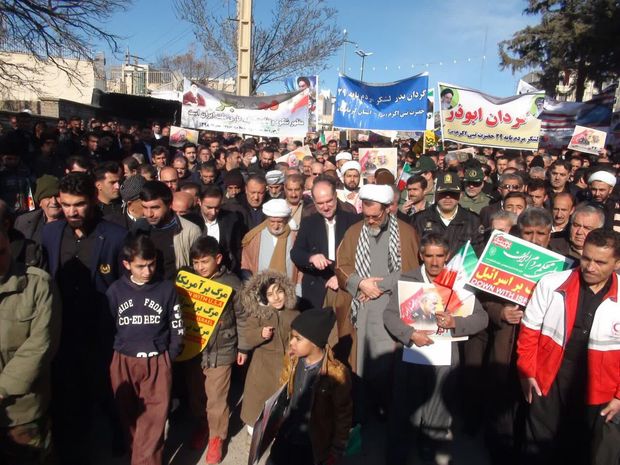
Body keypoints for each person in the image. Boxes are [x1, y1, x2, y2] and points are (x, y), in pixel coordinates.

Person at [42, 172, 127, 464]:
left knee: (105, 390)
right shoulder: (51, 233)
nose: (71, 211)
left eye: (78, 204)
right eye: (65, 205)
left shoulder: (115, 236)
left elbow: (123, 286)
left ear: (92, 200)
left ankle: (118, 434)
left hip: (100, 332)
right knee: (68, 394)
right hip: (62, 329)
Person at [517, 229, 620, 465]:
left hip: (600, 388)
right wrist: (527, 372)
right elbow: (529, 330)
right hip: (549, 380)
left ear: (617, 263)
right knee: (538, 447)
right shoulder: (551, 284)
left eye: (600, 262)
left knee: (583, 449)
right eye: (586, 258)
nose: (590, 267)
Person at [383, 233, 488, 465]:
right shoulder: (407, 280)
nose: (434, 262)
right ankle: (397, 454)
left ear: (447, 256)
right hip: (412, 355)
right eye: (429, 256)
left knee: (438, 411)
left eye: (439, 256)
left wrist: (456, 323)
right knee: (403, 411)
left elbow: (482, 318)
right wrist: (410, 334)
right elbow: (389, 315)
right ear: (421, 255)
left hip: (444, 358)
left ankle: (428, 448)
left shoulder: (458, 283)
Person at [335, 184, 420, 413]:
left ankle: (388, 408)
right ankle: (362, 410)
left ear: (388, 209)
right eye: (367, 216)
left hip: (392, 308)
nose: (370, 221)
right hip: (361, 309)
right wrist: (361, 283)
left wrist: (380, 286)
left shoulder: (405, 232)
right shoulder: (354, 232)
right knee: (361, 362)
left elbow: (413, 272)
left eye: (375, 216)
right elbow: (341, 266)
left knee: (388, 365)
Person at [106, 234, 184, 465]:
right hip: (123, 360)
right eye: (141, 266)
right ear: (127, 264)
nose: (147, 271)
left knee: (153, 420)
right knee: (129, 418)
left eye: (151, 264)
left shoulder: (166, 289)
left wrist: (169, 355)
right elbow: (106, 327)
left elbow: (177, 324)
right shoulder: (115, 291)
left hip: (157, 360)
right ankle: (138, 455)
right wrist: (113, 359)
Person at [0, 230, 61, 465]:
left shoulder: (36, 284)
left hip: (22, 412)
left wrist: (4, 388)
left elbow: (41, 344)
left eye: (2, 252)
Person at [187, 236, 248, 463]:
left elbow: (242, 317)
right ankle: (203, 426)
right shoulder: (190, 281)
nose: (200, 267)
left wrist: (243, 346)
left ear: (218, 258)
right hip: (195, 349)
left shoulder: (232, 283)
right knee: (196, 394)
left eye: (204, 262)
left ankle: (216, 438)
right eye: (196, 263)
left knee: (217, 398)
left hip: (222, 349)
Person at [268, 308, 353, 465]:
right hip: (287, 433)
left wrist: (337, 449)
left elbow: (343, 414)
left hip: (311, 444)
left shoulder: (336, 373)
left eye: (297, 339)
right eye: (291, 337)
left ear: (315, 343)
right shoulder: (293, 358)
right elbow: (284, 388)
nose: (291, 343)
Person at [240, 271, 299, 434]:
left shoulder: (293, 314)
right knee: (258, 398)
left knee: (281, 399)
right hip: (262, 367)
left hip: (285, 364)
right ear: (264, 297)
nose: (277, 297)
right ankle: (253, 425)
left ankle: (277, 425)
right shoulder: (259, 314)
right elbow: (248, 335)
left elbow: (299, 336)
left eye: (279, 291)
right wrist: (260, 333)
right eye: (270, 294)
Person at [291, 177, 360, 311]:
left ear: (336, 196)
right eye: (320, 203)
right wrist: (311, 257)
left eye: (329, 201)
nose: (326, 207)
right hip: (316, 289)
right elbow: (296, 253)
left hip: (346, 288)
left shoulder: (353, 221)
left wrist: (341, 277)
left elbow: (361, 255)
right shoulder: (308, 223)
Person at [133, 180, 202, 280]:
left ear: (169, 205)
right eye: (145, 207)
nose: (149, 214)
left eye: (155, 208)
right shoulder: (139, 228)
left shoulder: (190, 231)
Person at [412, 172, 482, 256]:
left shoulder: (473, 221)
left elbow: (478, 254)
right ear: (436, 194)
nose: (448, 197)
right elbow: (414, 253)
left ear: (460, 195)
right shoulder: (419, 220)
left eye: (453, 193)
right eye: (443, 193)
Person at [240, 198, 298, 282]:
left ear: (285, 220)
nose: (276, 226)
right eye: (272, 221)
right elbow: (246, 262)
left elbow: (300, 268)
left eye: (279, 222)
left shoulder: (294, 236)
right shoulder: (255, 237)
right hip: (260, 286)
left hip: (289, 287)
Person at [197, 185, 244, 275]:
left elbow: (237, 247)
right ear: (199, 201)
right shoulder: (193, 221)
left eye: (217, 207)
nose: (213, 212)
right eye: (209, 208)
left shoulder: (231, 219)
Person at [13, 175, 63, 245]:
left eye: (57, 196)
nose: (54, 202)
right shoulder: (22, 222)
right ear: (40, 202)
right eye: (48, 197)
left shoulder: (72, 222)